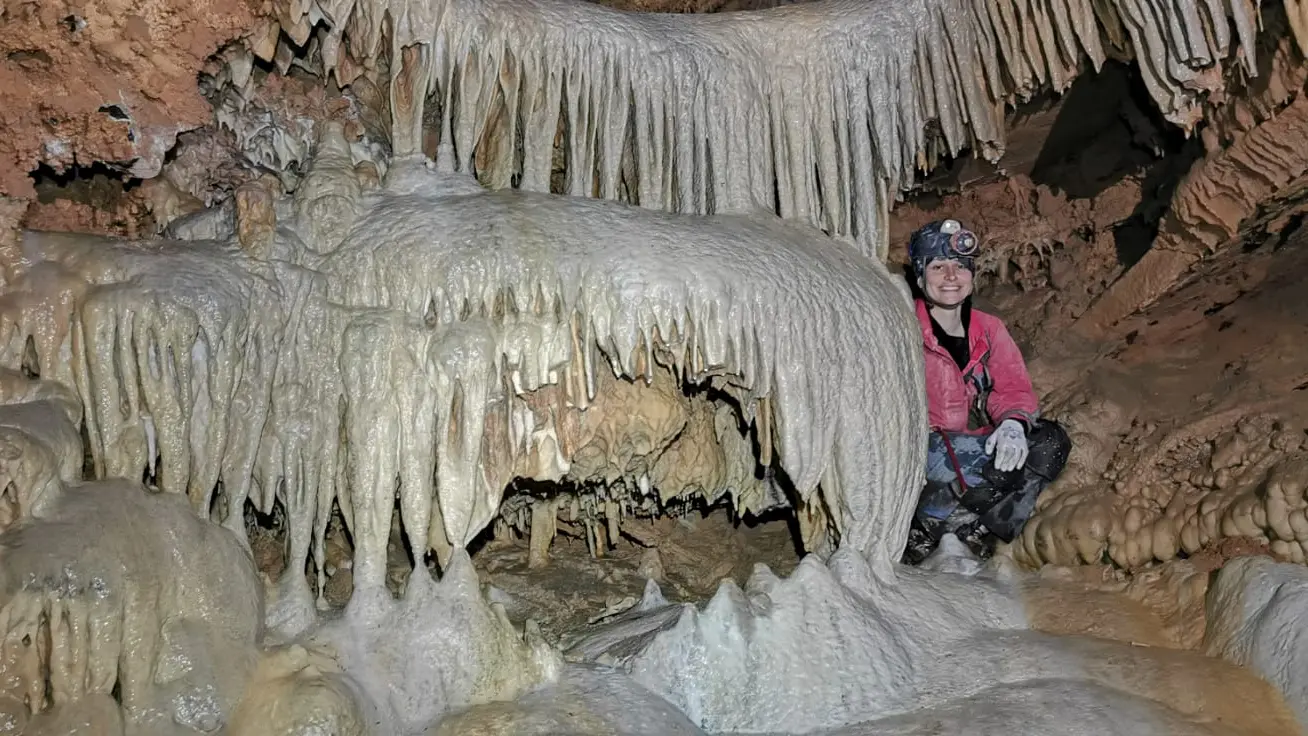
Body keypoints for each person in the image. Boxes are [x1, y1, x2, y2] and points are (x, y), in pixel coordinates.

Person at [901, 218, 1072, 565]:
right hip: (920, 448)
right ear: (920, 277)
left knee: (1050, 443)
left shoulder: (989, 328)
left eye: (960, 266)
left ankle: (982, 528)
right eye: (938, 266)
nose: (951, 276)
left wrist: (1013, 424)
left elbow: (1013, 387)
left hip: (970, 441)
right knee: (976, 468)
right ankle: (924, 526)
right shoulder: (903, 328)